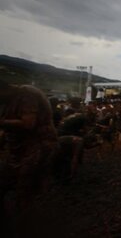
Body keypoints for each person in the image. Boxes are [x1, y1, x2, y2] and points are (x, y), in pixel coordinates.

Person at [0, 80, 59, 237]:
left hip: (38, 146)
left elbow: (28, 123)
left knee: (24, 190)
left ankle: (29, 229)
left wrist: (1, 123)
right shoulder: (9, 100)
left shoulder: (27, 94)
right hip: (19, 150)